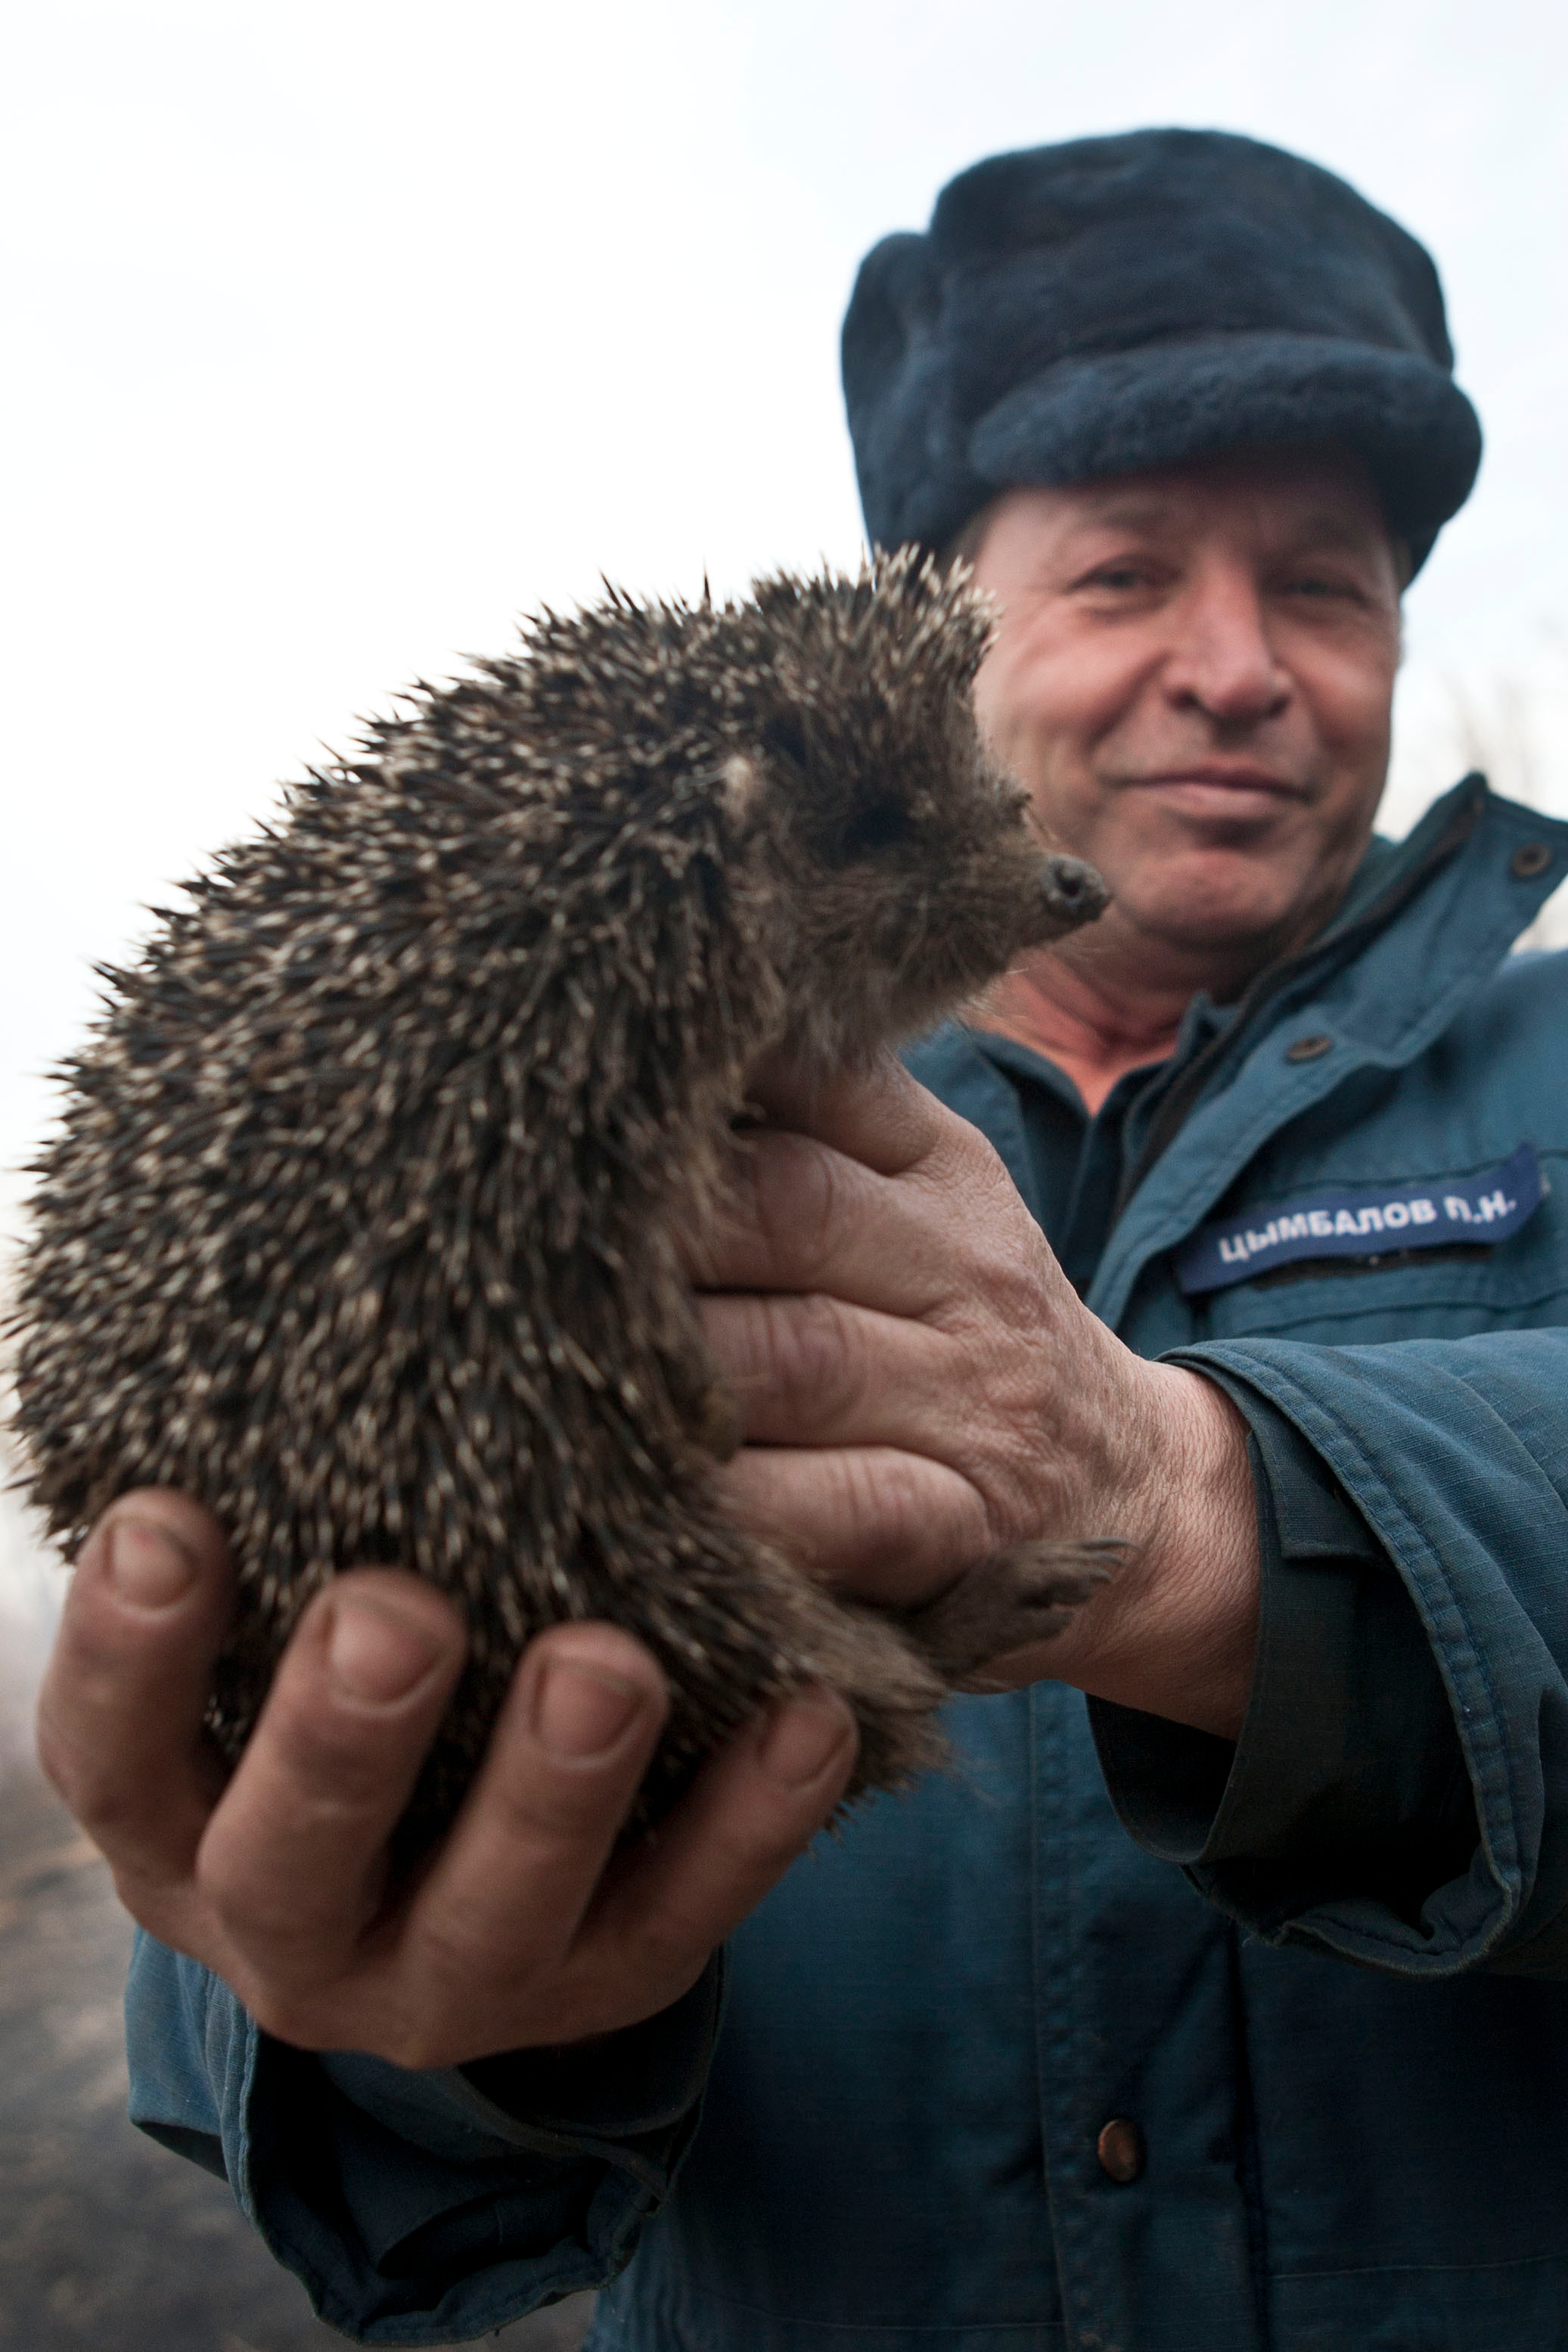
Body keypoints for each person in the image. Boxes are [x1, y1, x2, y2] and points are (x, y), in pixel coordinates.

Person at [36, 129, 1568, 2350]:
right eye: (1126, 572)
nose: (1233, 666)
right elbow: (329, 2127)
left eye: (1321, 584)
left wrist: (1187, 1514)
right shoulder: (519, 1099)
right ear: (934, 633)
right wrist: (438, 2012)